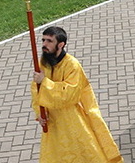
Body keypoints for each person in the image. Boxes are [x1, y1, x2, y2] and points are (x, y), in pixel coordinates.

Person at [31, 26, 124, 163]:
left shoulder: (72, 65)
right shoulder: (44, 63)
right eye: (43, 40)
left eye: (49, 41)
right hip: (53, 124)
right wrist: (39, 113)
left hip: (73, 122)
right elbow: (35, 90)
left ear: (60, 45)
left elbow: (69, 95)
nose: (44, 44)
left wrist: (45, 82)